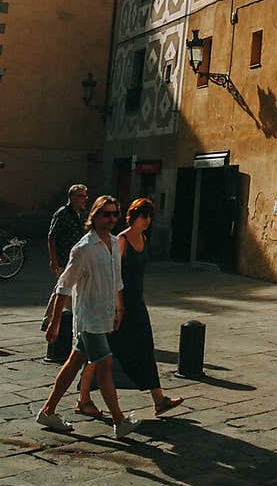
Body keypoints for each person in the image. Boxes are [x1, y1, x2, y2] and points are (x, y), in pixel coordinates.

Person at [36, 195, 141, 438]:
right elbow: (63, 286)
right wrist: (55, 321)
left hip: (104, 314)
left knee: (74, 362)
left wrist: (119, 308)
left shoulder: (115, 244)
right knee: (105, 364)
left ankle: (48, 410)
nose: (112, 218)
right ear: (94, 216)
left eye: (115, 213)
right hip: (88, 318)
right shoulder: (83, 249)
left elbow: (117, 280)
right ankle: (119, 420)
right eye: (106, 214)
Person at [76, 197, 182, 419]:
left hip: (137, 304)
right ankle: (83, 399)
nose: (148, 221)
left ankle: (158, 400)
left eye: (150, 217)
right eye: (145, 216)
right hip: (118, 305)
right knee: (97, 354)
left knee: (145, 347)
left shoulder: (143, 238)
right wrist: (117, 305)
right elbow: (114, 275)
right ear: (134, 216)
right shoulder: (121, 241)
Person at [42, 184, 89, 361]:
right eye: (81, 196)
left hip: (78, 260)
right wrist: (53, 259)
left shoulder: (82, 214)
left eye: (85, 196)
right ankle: (52, 321)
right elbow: (51, 237)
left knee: (67, 293)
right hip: (64, 260)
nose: (84, 199)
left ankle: (58, 322)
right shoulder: (62, 213)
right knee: (63, 291)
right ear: (73, 197)